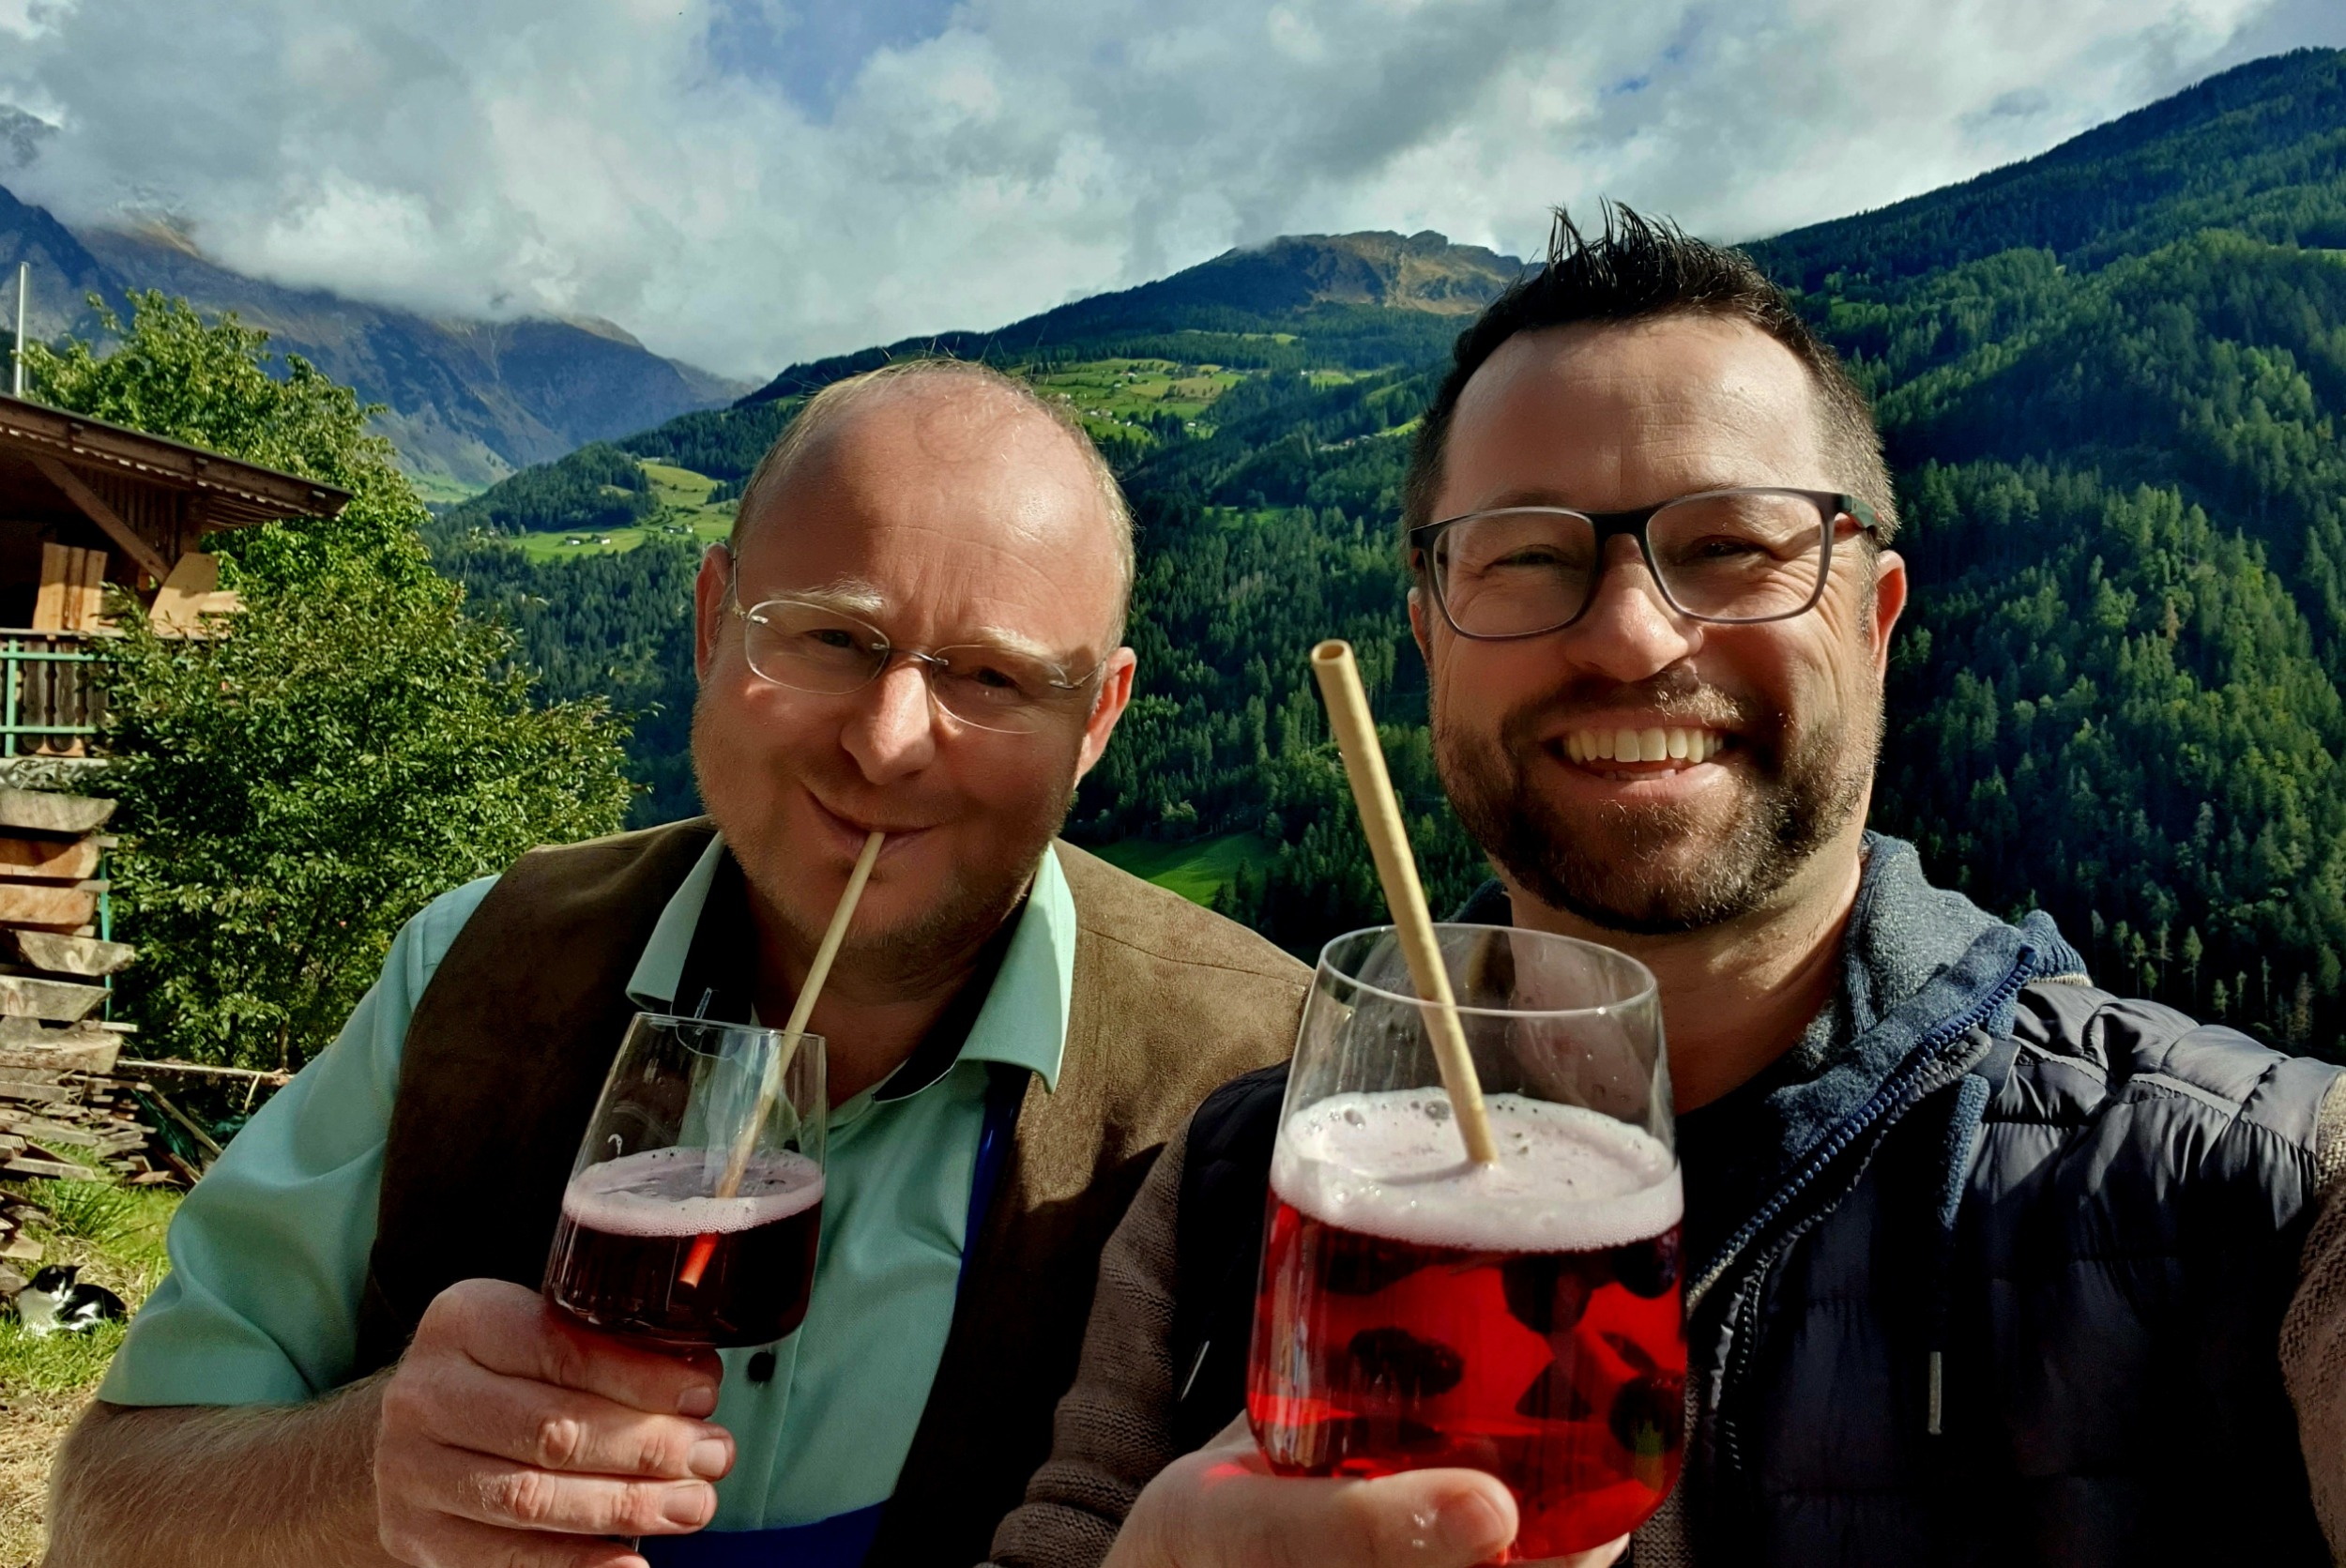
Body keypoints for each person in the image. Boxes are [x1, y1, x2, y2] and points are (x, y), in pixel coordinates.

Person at [987, 209, 2346, 1568]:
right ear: (1431, 642)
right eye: (1529, 556)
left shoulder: (2251, 1186)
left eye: (1732, 547)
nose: (1633, 635)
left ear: (1873, 622)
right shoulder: (1248, 1178)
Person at [45, 359, 1313, 1568]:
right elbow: (110, 1516)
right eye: (831, 639)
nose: (886, 744)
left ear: (1096, 720)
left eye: (990, 678)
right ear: (715, 622)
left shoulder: (1262, 1087)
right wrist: (359, 1476)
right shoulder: (480, 967)